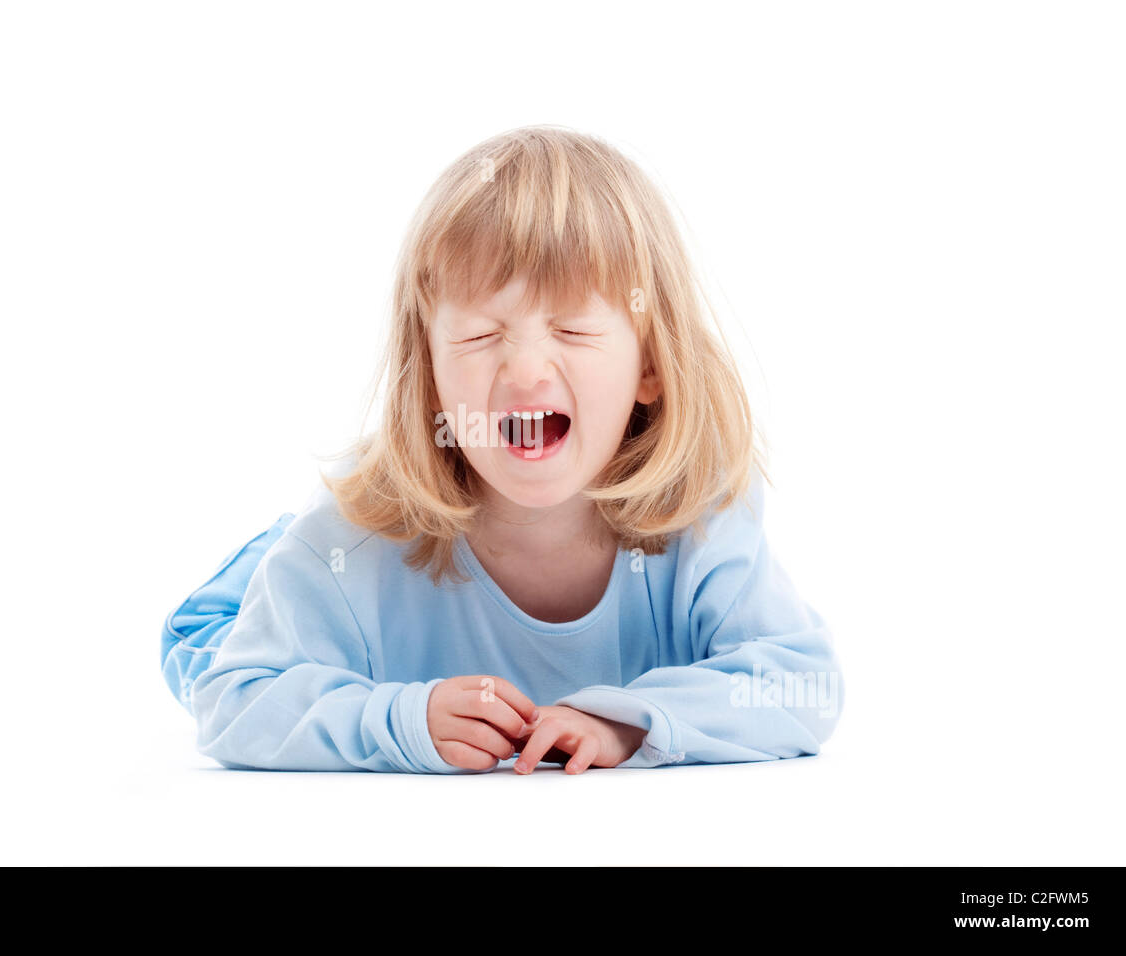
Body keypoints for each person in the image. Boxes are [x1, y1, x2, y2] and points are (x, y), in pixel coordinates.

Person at [160, 125, 844, 774]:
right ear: (427, 378)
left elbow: (802, 684)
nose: (525, 370)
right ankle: (270, 549)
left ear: (650, 368)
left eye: (572, 330)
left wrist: (631, 722)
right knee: (214, 626)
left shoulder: (702, 525)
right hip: (294, 575)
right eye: (482, 335)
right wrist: (402, 718)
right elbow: (231, 699)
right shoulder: (347, 545)